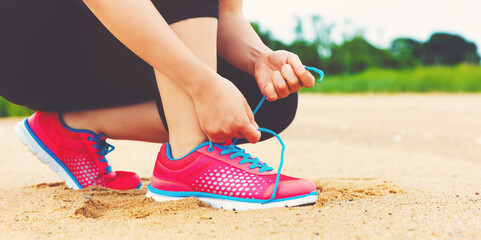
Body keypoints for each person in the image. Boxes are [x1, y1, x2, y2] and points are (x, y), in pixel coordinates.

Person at [0, 0, 318, 210]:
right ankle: (190, 155)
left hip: (101, 46)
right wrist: (203, 85)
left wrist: (258, 58)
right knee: (217, 94)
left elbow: (226, 14)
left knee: (262, 98)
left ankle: (72, 127)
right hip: (26, 40)